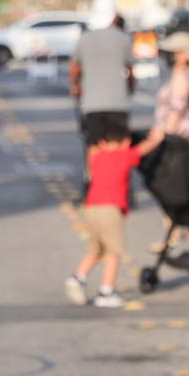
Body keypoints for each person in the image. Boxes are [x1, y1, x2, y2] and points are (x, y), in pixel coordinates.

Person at [64, 124, 164, 308]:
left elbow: (92, 150)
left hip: (91, 208)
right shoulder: (123, 156)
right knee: (114, 252)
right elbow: (142, 149)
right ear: (125, 143)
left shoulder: (97, 157)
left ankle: (78, 278)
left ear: (102, 143)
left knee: (95, 249)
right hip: (111, 210)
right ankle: (106, 291)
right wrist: (156, 139)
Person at [146, 31, 189, 253]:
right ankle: (182, 234)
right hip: (185, 139)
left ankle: (186, 235)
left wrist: (161, 136)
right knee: (181, 189)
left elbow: (177, 108)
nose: (167, 56)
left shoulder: (182, 74)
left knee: (172, 190)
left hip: (177, 141)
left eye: (172, 52)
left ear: (183, 54)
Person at [70, 0, 134, 162]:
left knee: (94, 146)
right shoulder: (124, 39)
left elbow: (75, 68)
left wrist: (76, 86)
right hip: (118, 103)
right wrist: (130, 89)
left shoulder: (84, 39)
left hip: (91, 104)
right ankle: (118, 183)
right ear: (114, 15)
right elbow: (130, 71)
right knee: (119, 147)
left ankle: (93, 183)